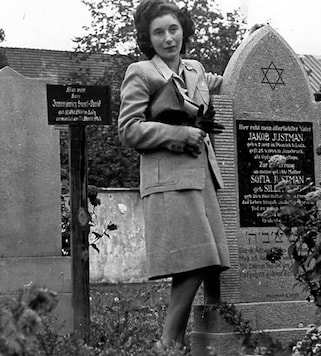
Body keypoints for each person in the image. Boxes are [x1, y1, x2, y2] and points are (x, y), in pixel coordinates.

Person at [117, 0, 231, 349]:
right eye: (159, 33)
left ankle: (173, 344)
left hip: (201, 180)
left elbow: (227, 81)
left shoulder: (195, 68)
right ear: (147, 39)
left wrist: (252, 61)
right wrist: (180, 135)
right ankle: (167, 343)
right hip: (168, 180)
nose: (168, 38)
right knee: (197, 260)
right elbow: (129, 129)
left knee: (198, 261)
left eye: (174, 29)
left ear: (184, 30)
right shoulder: (141, 72)